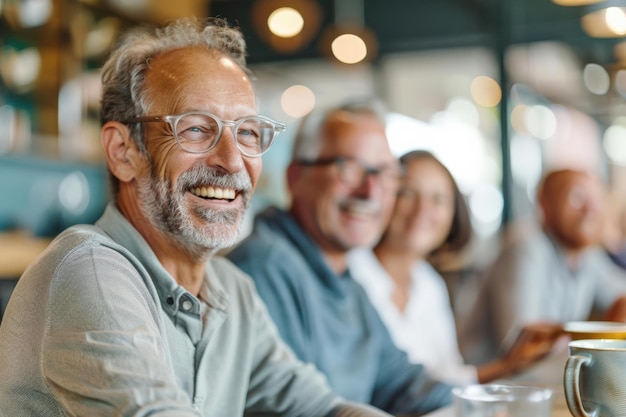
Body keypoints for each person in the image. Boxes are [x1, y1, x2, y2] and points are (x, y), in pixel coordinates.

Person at [0, 18, 392, 416]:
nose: (232, 160)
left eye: (248, 133)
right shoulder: (90, 272)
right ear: (123, 151)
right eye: (194, 129)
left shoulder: (232, 291)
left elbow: (323, 409)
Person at [227, 99, 453, 416]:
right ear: (295, 177)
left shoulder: (343, 277)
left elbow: (403, 385)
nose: (370, 191)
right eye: (350, 169)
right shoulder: (265, 268)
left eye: (385, 173)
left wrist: (480, 406)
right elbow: (293, 408)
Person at [459, 168, 626, 366]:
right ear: (544, 205)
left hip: (539, 382)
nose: (591, 208)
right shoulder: (526, 247)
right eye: (577, 196)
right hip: (489, 385)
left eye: (597, 198)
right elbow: (519, 346)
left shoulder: (587, 255)